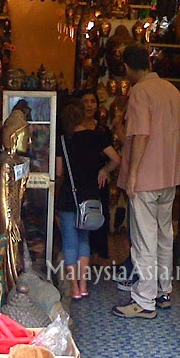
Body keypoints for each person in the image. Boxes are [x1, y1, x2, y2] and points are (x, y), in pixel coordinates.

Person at [112, 44, 180, 319]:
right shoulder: (171, 89)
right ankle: (163, 292)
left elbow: (141, 134)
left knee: (144, 240)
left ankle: (144, 301)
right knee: (164, 236)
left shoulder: (140, 91)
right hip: (170, 176)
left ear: (127, 67)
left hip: (146, 179)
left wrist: (133, 174)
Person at [56, 101, 120, 300]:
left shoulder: (63, 141)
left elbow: (58, 172)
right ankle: (84, 285)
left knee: (69, 242)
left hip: (69, 196)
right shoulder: (96, 137)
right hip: (90, 196)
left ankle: (74, 287)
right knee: (84, 241)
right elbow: (117, 159)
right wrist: (104, 170)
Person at [81, 90, 112, 264]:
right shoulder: (73, 129)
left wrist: (106, 170)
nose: (89, 105)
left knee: (99, 215)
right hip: (80, 180)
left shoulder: (102, 130)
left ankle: (97, 256)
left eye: (92, 101)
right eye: (85, 101)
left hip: (99, 180)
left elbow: (113, 157)